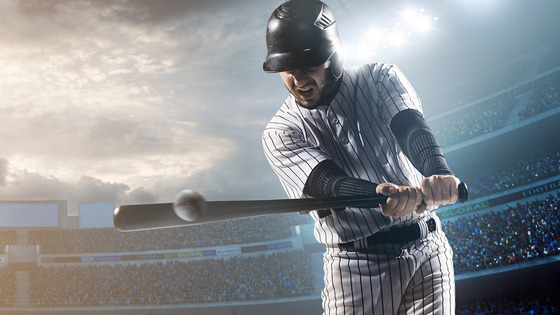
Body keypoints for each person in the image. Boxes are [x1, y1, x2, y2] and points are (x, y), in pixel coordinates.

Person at [261, 0, 464, 314]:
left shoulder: (379, 77)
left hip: (428, 248)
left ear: (334, 56)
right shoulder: (279, 132)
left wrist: (437, 170)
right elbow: (326, 183)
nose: (299, 80)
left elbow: (410, 127)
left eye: (309, 65)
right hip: (356, 267)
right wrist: (377, 195)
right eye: (288, 69)